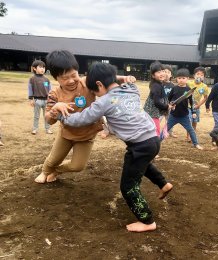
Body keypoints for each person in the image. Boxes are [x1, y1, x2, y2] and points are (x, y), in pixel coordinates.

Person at [54, 62, 173, 233]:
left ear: (99, 85)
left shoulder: (104, 102)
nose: (95, 96)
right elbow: (123, 82)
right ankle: (163, 184)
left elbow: (81, 119)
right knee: (144, 165)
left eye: (94, 92)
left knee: (128, 186)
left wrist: (61, 115)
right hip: (153, 139)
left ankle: (147, 221)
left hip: (139, 145)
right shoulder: (132, 89)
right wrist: (124, 78)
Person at [34, 50, 133, 184]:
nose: (71, 81)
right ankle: (45, 171)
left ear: (77, 71)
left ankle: (57, 170)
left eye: (73, 75)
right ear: (55, 78)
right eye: (64, 78)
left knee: (77, 166)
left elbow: (107, 77)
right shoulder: (54, 94)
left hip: (86, 136)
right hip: (66, 134)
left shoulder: (87, 82)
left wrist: (123, 78)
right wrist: (55, 109)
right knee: (53, 159)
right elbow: (48, 120)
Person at [167, 68, 203, 150]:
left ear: (187, 79)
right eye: (179, 78)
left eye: (183, 78)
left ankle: (196, 144)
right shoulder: (174, 89)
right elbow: (169, 99)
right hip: (173, 116)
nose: (181, 80)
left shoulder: (188, 90)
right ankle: (157, 142)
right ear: (176, 79)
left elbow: (192, 102)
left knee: (191, 130)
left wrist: (194, 112)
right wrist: (171, 104)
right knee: (165, 130)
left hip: (184, 116)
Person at [144, 61, 173, 136]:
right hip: (152, 113)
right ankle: (153, 145)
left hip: (154, 113)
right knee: (155, 132)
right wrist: (167, 106)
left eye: (163, 71)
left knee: (152, 130)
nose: (162, 73)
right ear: (153, 76)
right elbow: (156, 102)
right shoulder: (156, 86)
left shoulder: (159, 84)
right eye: (159, 72)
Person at [28, 60, 53, 135]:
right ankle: (35, 129)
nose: (43, 69)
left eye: (44, 67)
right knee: (36, 116)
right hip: (37, 100)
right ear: (34, 68)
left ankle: (48, 129)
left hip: (46, 100)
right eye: (40, 67)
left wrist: (51, 98)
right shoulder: (32, 79)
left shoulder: (46, 79)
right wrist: (30, 99)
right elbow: (30, 89)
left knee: (47, 115)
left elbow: (50, 90)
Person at [187, 66, 209, 141]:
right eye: (198, 74)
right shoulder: (188, 83)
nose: (199, 76)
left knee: (194, 121)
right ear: (194, 75)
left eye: (201, 75)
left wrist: (199, 105)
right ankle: (188, 136)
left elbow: (205, 97)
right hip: (188, 106)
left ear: (204, 77)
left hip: (196, 107)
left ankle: (193, 134)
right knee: (189, 120)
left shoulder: (204, 86)